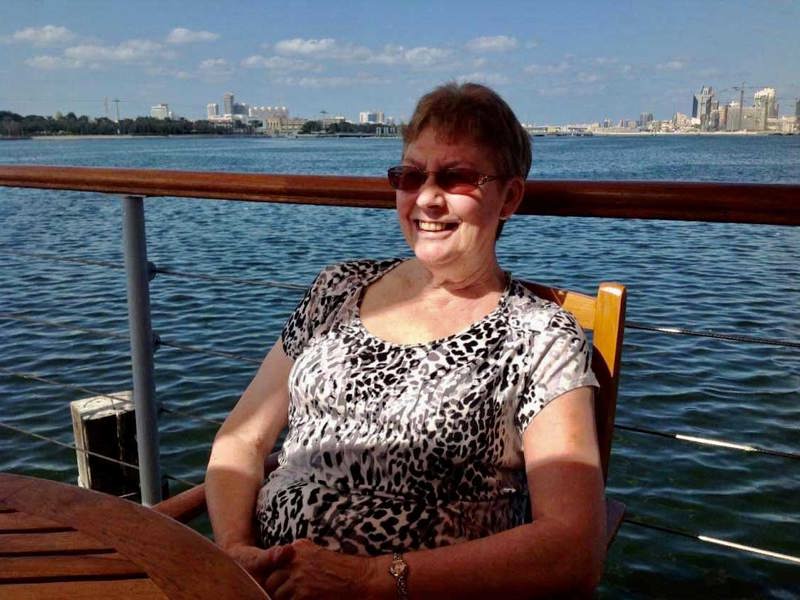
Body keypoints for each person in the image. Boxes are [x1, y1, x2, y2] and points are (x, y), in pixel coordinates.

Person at [205, 82, 606, 599]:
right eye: (410, 176)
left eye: (455, 177)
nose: (427, 198)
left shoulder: (539, 337)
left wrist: (369, 580)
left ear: (509, 197)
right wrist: (236, 549)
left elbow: (573, 547)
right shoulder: (337, 289)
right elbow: (242, 439)